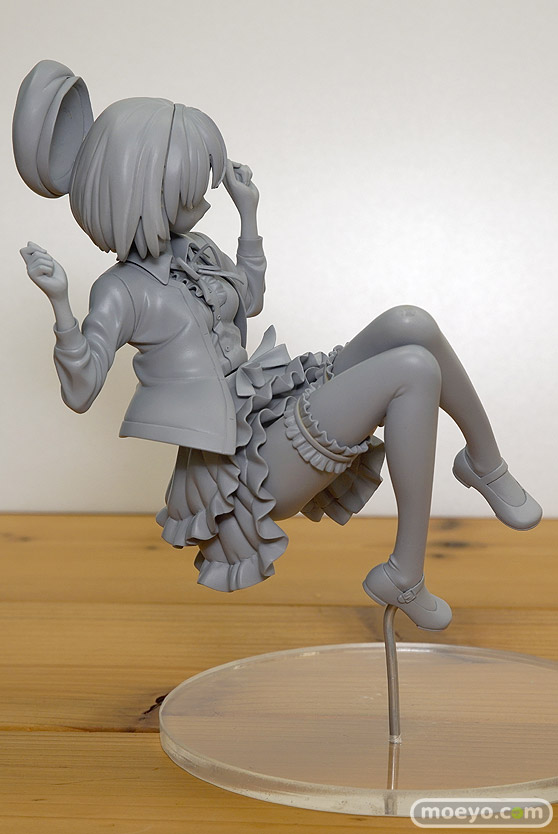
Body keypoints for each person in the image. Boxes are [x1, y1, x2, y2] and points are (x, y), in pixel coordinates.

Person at [15, 60, 541, 632]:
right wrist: (61, 305)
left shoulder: (197, 249)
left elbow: (251, 297)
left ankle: (484, 463)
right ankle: (405, 573)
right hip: (242, 467)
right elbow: (82, 388)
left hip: (268, 403)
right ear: (137, 195)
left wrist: (248, 212)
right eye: (188, 194)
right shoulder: (120, 290)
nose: (204, 204)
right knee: (413, 370)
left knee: (410, 323)